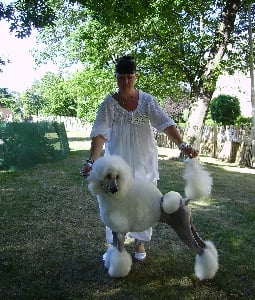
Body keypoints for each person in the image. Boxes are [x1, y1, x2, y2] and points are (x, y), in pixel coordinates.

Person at [80, 55, 198, 261]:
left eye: (129, 77)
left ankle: (140, 243)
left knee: (145, 202)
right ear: (116, 78)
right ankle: (116, 246)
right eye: (121, 77)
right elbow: (99, 134)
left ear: (135, 77)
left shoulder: (147, 101)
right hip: (117, 163)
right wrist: (91, 161)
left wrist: (183, 145)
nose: (125, 81)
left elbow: (165, 124)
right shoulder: (108, 104)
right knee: (114, 203)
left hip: (144, 160)